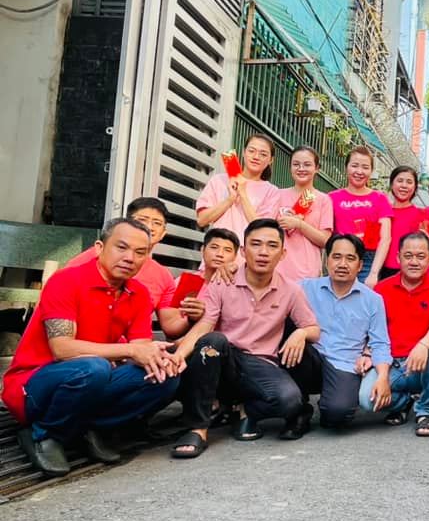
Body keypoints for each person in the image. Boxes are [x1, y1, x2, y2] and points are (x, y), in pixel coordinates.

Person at [3, 218, 180, 476]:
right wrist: (130, 351)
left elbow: (140, 348)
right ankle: (43, 434)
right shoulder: (66, 280)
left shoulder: (139, 293)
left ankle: (88, 427)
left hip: (92, 379)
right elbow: (62, 349)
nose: (130, 258)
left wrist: (159, 357)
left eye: (140, 252)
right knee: (93, 368)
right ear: (99, 247)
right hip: (32, 385)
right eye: (121, 247)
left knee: (164, 376)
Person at [167, 219, 319, 457]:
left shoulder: (291, 290)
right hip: (224, 356)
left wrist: (301, 332)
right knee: (212, 341)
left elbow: (313, 329)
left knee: (289, 401)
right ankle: (197, 429)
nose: (263, 252)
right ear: (243, 250)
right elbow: (204, 325)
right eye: (256, 244)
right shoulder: (223, 280)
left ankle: (243, 409)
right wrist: (179, 355)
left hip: (260, 362)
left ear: (282, 253)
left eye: (271, 246)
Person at [285, 234, 393, 435]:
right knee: (289, 329)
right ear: (327, 260)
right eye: (336, 257)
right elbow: (272, 286)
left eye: (350, 258)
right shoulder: (305, 287)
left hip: (344, 364)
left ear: (360, 265)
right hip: (311, 358)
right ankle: (299, 406)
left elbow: (380, 342)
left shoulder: (373, 300)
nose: (342, 264)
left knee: (337, 414)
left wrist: (383, 376)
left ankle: (330, 403)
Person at [66, 197, 197, 339]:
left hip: (132, 346)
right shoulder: (92, 258)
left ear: (163, 233)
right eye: (142, 220)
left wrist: (191, 317)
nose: (149, 227)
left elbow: (170, 325)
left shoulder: (160, 278)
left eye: (157, 223)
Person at [375, 231, 429, 437]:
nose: (414, 262)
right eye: (408, 256)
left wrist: (423, 345)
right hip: (392, 365)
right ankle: (402, 402)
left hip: (424, 365)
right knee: (368, 399)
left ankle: (426, 411)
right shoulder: (381, 290)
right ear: (398, 257)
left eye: (420, 256)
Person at [196, 134, 281, 241]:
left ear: (271, 160)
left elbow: (263, 231)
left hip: (248, 250)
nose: (256, 157)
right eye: (251, 151)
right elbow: (201, 220)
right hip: (219, 247)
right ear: (244, 152)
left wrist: (243, 194)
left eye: (263, 154)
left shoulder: (272, 191)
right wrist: (230, 199)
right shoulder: (219, 180)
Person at [329, 147, 393, 288]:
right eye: (354, 166)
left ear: (371, 171)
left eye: (365, 167)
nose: (359, 171)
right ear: (346, 167)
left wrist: (374, 273)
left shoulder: (380, 198)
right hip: (340, 257)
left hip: (368, 260)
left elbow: (385, 238)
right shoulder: (332, 198)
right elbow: (326, 235)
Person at [275, 146, 333, 282]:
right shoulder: (277, 195)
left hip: (308, 273)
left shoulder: (323, 199)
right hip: (278, 269)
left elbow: (325, 240)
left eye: (307, 164)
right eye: (296, 164)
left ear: (317, 168)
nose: (301, 169)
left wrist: (299, 224)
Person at [382, 165, 424, 279]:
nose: (404, 185)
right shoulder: (382, 211)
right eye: (400, 181)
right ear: (392, 184)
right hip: (379, 269)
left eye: (409, 182)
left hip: (407, 271)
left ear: (415, 187)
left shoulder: (421, 215)